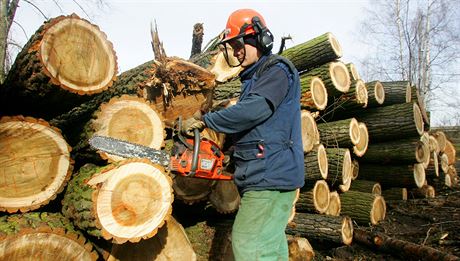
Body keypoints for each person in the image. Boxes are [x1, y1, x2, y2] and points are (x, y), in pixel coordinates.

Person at [182, 8, 305, 261]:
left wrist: (206, 121)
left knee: (249, 242)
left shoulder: (276, 70)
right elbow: (259, 130)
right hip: (267, 175)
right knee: (270, 245)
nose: (236, 51)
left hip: (271, 177)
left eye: (240, 44)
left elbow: (253, 111)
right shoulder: (256, 79)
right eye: (233, 46)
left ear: (260, 39)